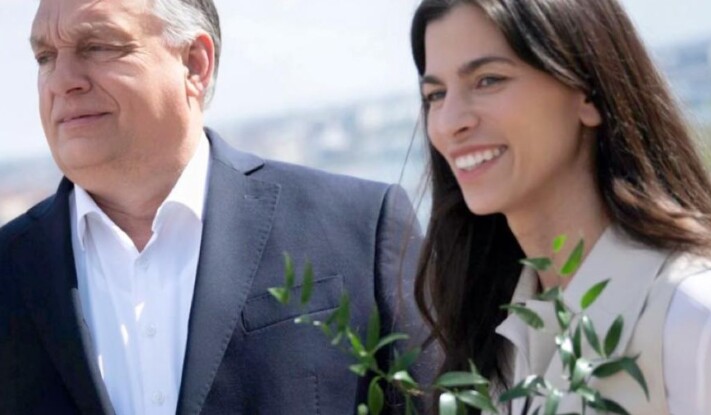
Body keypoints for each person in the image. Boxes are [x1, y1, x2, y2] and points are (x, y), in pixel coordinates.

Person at [0, 0, 425, 414]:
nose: (61, 81)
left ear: (194, 64)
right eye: (45, 57)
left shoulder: (361, 228)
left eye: (97, 46)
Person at [409, 0, 711, 413]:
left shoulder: (696, 317)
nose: (450, 122)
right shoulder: (495, 341)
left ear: (588, 93)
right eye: (435, 94)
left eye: (488, 80)